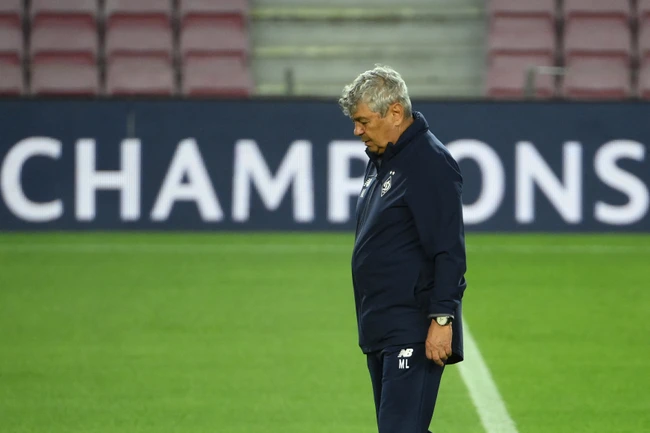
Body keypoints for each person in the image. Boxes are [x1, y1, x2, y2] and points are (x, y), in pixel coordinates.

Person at [338, 65, 468, 433]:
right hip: (381, 327)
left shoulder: (429, 163)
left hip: (412, 327)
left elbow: (448, 249)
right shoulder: (382, 160)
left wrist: (441, 319)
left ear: (395, 112)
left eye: (363, 121)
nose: (357, 131)